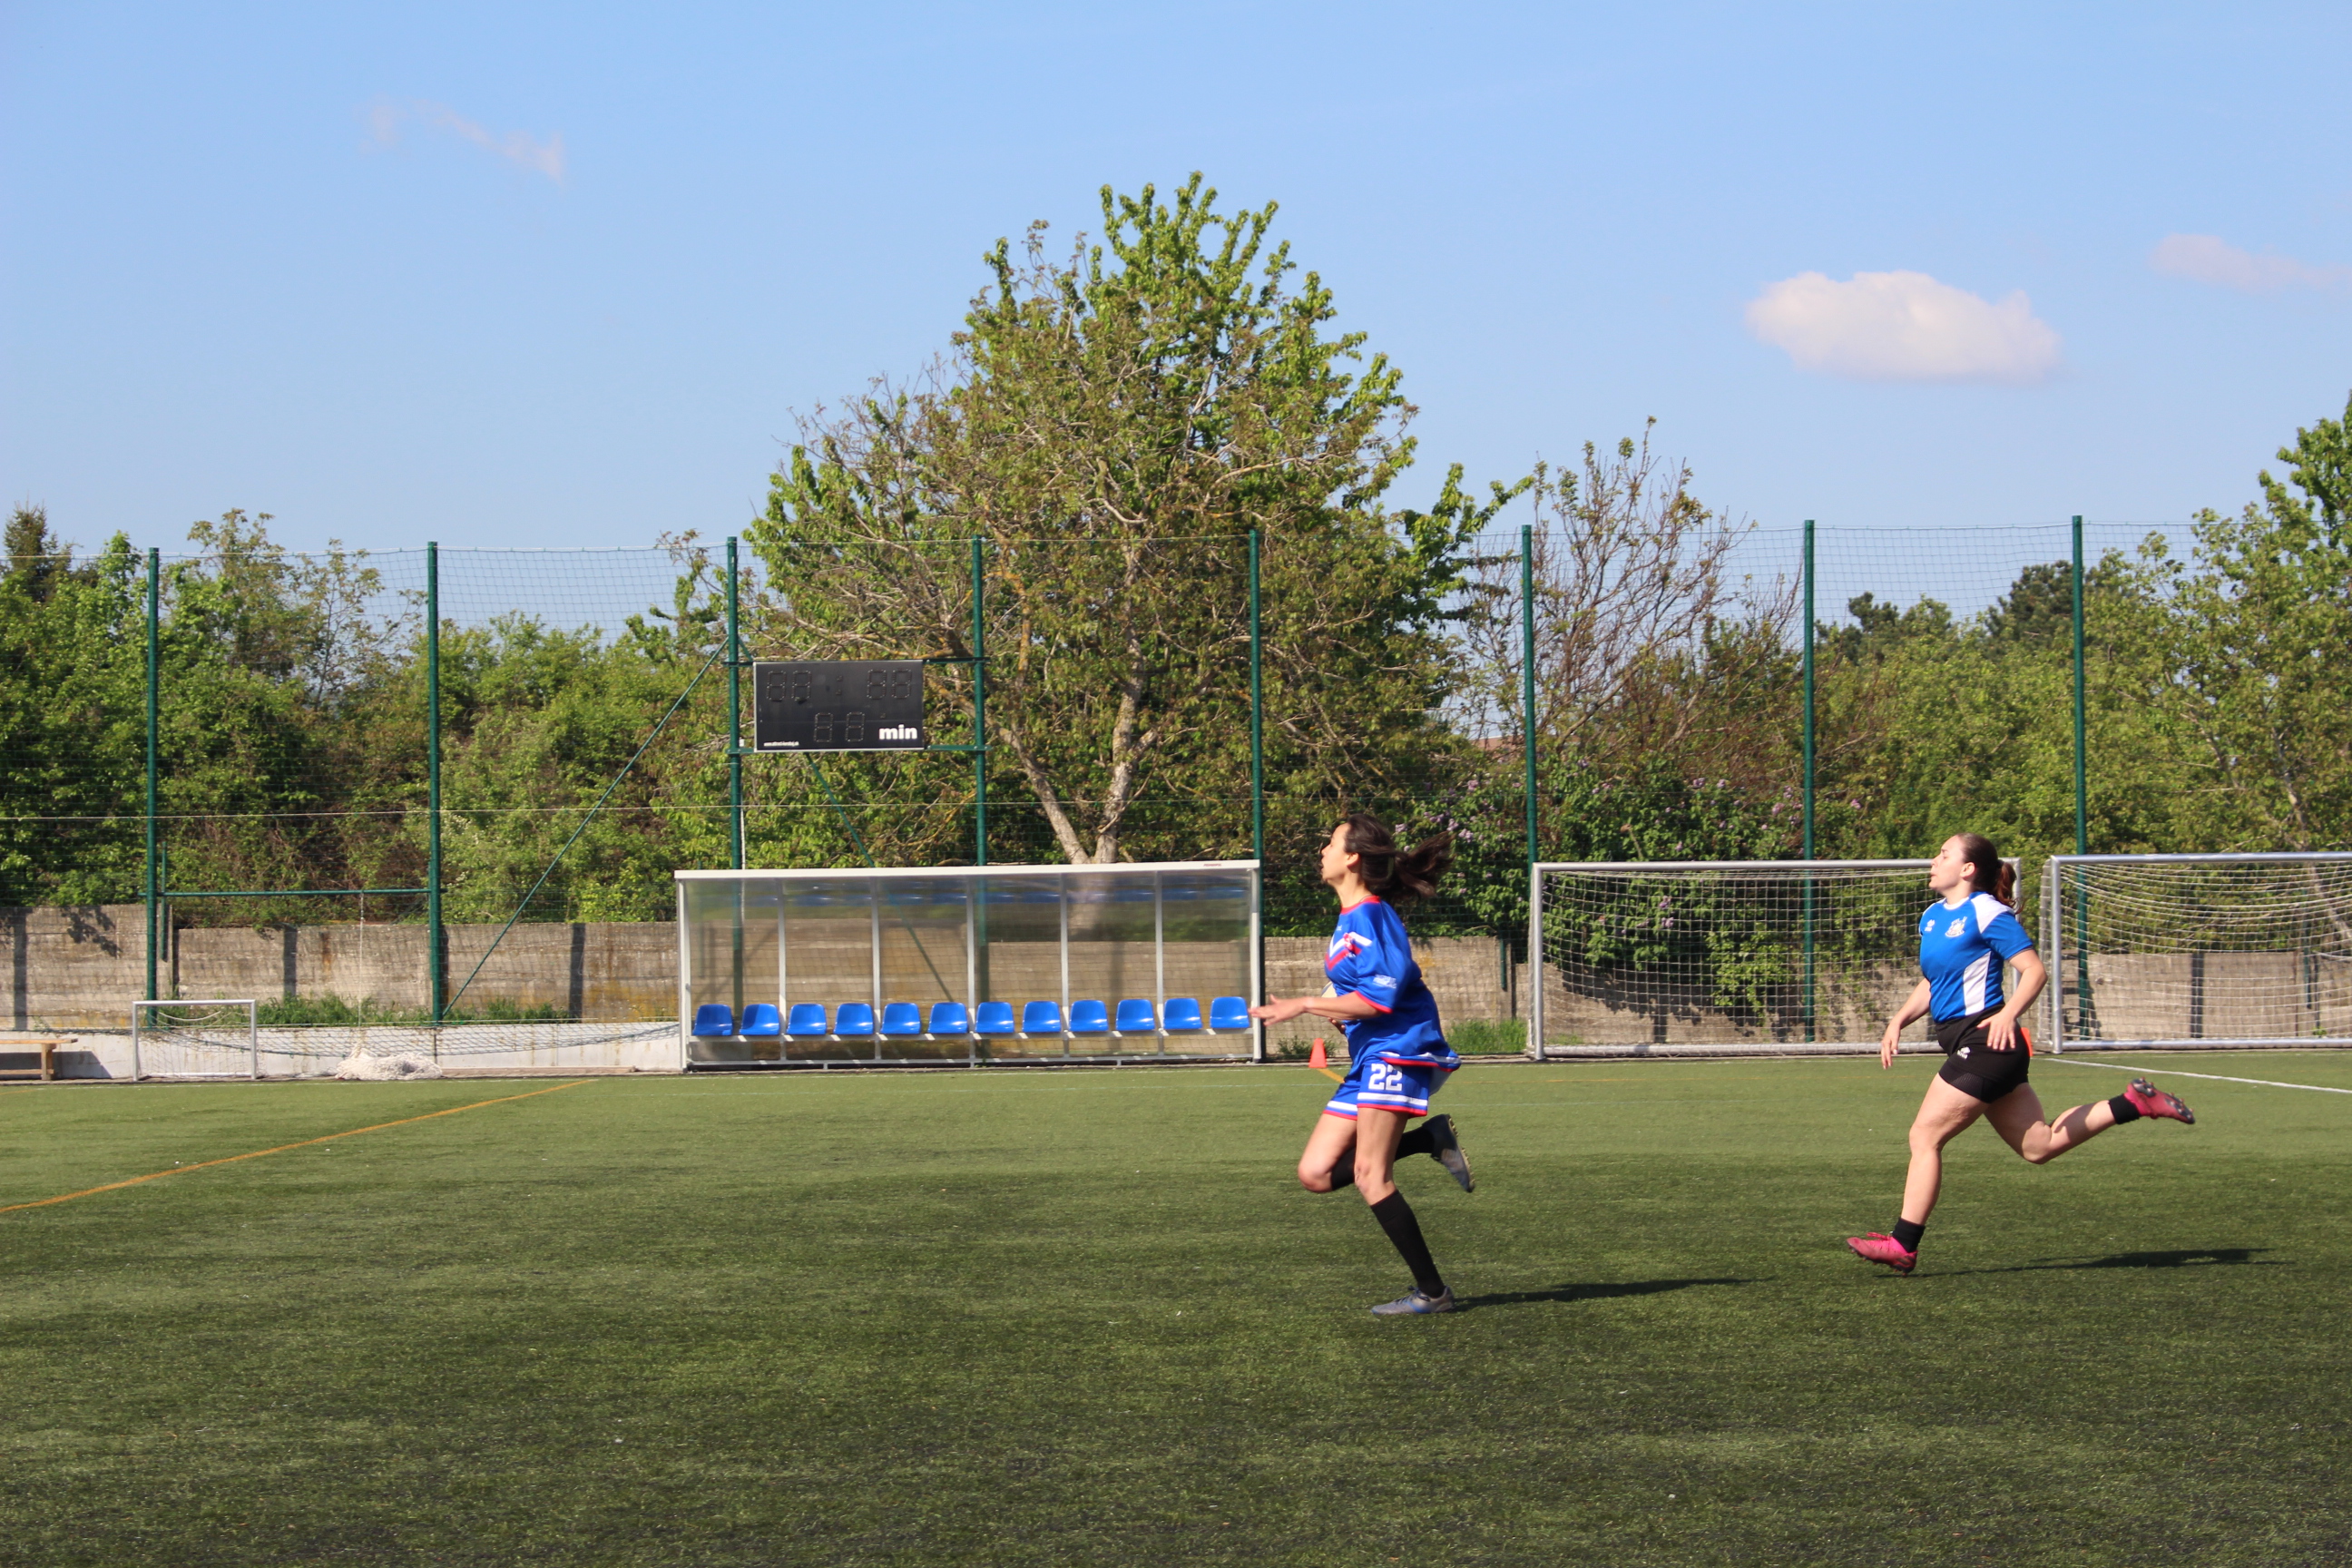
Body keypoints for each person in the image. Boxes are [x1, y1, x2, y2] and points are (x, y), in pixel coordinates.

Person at [1847, 831, 2196, 1274]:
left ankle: (1903, 1244)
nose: (1934, 860)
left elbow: (2033, 970)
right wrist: (1899, 1019)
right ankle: (2133, 1103)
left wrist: (2009, 1013)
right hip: (1982, 1045)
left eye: (1944, 854)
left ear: (1967, 869)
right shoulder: (1932, 917)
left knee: (1924, 1137)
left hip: (1986, 1043)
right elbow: (1935, 981)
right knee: (2039, 1146)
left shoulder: (1987, 912)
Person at [1252, 813, 1475, 1316]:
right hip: (1370, 1056)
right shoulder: (1349, 918)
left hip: (1397, 1052)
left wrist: (1306, 1004)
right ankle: (1428, 1140)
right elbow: (1363, 998)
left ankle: (1434, 1294)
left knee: (1371, 1176)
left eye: (1330, 843)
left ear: (1352, 857)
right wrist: (1339, 1013)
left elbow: (1381, 999)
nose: (1322, 851)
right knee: (1315, 1173)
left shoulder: (1372, 916)